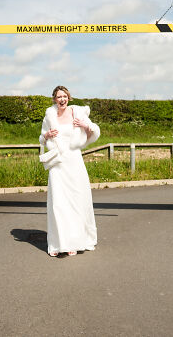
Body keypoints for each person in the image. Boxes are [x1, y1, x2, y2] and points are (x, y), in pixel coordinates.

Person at [39, 85, 100, 257]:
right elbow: (41, 138)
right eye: (59, 97)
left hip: (74, 162)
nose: (62, 99)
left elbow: (93, 133)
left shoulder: (77, 112)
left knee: (76, 201)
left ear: (69, 97)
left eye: (64, 96)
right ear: (54, 99)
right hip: (58, 164)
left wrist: (84, 125)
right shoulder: (49, 115)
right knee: (58, 203)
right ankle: (59, 244)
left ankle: (74, 242)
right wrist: (47, 135)